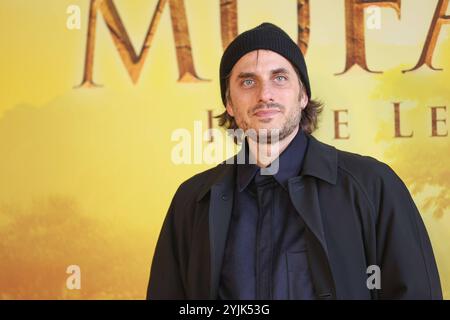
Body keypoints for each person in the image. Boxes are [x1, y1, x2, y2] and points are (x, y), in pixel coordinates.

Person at [147, 22, 442, 299]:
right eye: (248, 81)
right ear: (229, 103)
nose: (265, 95)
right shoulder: (192, 201)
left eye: (280, 78)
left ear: (302, 95)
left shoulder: (373, 186)